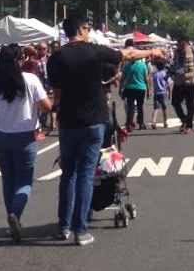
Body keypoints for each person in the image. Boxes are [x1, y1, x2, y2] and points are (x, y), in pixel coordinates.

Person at [47, 17, 165, 245]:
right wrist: (152, 52)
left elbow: (57, 90)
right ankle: (80, 230)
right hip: (93, 120)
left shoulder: (56, 57)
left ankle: (64, 227)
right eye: (87, 28)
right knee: (86, 174)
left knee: (68, 175)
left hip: (68, 122)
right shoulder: (94, 51)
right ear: (81, 29)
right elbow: (128, 55)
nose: (89, 32)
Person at [0, 43, 53, 243]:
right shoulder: (31, 80)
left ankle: (12, 218)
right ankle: (15, 215)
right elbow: (46, 107)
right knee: (24, 180)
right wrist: (52, 98)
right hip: (25, 136)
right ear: (19, 60)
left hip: (1, 137)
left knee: (8, 179)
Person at [171, 35, 194, 134]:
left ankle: (189, 125)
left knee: (189, 103)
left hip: (190, 80)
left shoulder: (193, 50)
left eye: (180, 42)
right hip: (178, 81)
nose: (178, 44)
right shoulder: (176, 52)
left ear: (185, 41)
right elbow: (174, 65)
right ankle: (184, 120)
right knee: (175, 101)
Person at [120, 38, 151, 131]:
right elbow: (146, 79)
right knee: (140, 107)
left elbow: (122, 79)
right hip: (141, 88)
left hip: (129, 88)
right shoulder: (142, 65)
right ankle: (141, 124)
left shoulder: (126, 65)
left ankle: (129, 125)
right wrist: (149, 90)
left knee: (130, 107)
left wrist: (120, 89)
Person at [150, 59, 171, 129]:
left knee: (156, 108)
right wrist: (170, 93)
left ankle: (153, 121)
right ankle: (165, 123)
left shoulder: (154, 74)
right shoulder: (164, 74)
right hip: (163, 92)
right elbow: (168, 84)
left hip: (156, 92)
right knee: (164, 108)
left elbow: (152, 82)